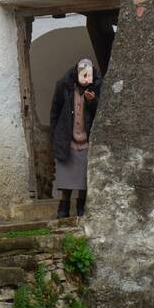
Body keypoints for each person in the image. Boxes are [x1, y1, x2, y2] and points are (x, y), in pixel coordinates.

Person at [49, 56, 101, 218]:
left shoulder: (97, 88)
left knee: (84, 178)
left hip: (87, 141)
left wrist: (93, 101)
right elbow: (55, 112)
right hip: (67, 139)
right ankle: (63, 208)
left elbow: (101, 113)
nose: (86, 79)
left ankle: (81, 207)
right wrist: (55, 135)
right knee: (66, 177)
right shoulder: (63, 86)